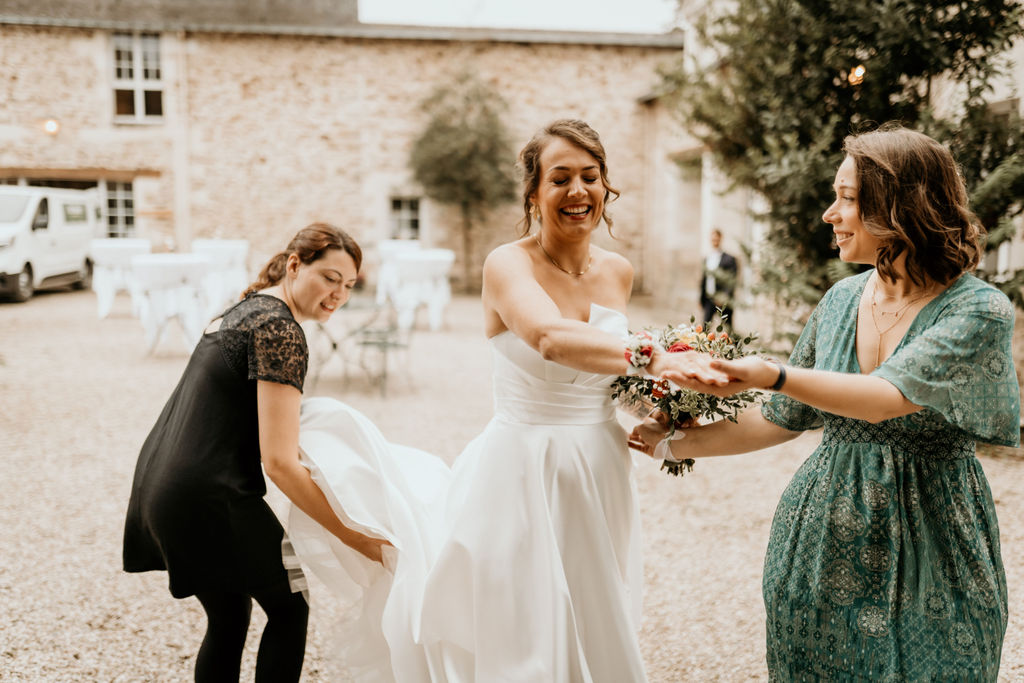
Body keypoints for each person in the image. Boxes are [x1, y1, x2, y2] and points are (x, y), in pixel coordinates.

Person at [286, 119, 729, 681]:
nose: (577, 191)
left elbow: (605, 372)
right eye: (560, 178)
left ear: (606, 187)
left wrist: (662, 407)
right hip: (522, 469)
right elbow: (548, 339)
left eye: (590, 177)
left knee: (594, 613)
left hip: (599, 466)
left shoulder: (618, 271)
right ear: (535, 192)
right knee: (523, 630)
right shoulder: (507, 264)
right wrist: (653, 357)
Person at [631, 125, 1020, 681]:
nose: (828, 214)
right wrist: (671, 440)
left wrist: (774, 373)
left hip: (936, 542)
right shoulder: (840, 300)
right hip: (821, 541)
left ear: (899, 207)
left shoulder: (978, 310)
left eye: (847, 199)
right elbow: (778, 417)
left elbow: (885, 398)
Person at [122, 223, 391, 683]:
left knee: (229, 614)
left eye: (348, 286)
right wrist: (355, 535)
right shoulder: (280, 330)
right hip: (211, 496)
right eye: (329, 278)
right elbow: (280, 463)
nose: (338, 295)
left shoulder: (246, 310)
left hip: (163, 485)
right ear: (293, 265)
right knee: (291, 608)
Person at [699, 228, 737, 329]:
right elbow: (704, 280)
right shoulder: (707, 258)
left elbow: (732, 281)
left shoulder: (729, 259)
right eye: (713, 239)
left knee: (728, 330)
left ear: (720, 239)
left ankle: (736, 345)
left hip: (723, 300)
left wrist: (724, 297)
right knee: (705, 330)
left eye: (716, 239)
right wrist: (701, 298)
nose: (715, 241)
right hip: (709, 299)